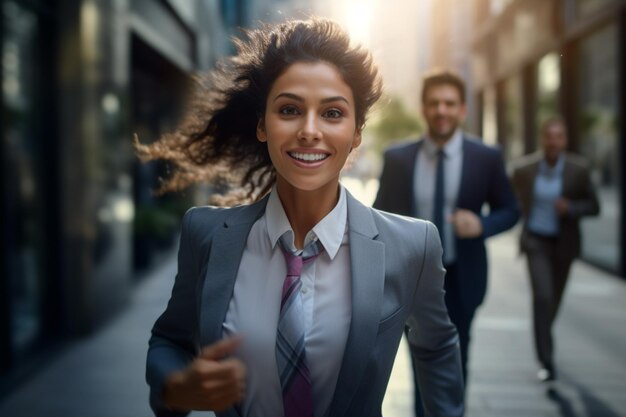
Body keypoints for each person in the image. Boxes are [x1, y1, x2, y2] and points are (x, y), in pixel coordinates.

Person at [139, 18, 464, 417]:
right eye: (290, 109)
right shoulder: (206, 235)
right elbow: (169, 340)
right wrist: (175, 386)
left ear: (356, 133)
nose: (310, 131)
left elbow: (437, 346)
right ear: (262, 125)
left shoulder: (412, 245)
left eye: (332, 113)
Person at [374, 69, 519, 416]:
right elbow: (380, 215)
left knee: (456, 358)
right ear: (424, 109)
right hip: (412, 279)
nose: (442, 110)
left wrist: (481, 225)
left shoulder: (486, 158)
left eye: (449, 104)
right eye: (434, 103)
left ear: (462, 110)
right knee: (420, 360)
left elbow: (511, 209)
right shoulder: (399, 159)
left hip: (461, 277)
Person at [511, 116, 599, 382]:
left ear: (565, 140)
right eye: (548, 136)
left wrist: (571, 208)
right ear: (542, 139)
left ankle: (542, 333)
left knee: (554, 302)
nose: (553, 141)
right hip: (536, 241)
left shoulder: (579, 169)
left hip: (564, 245)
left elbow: (594, 206)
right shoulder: (525, 170)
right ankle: (546, 360)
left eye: (558, 136)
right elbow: (512, 201)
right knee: (543, 297)